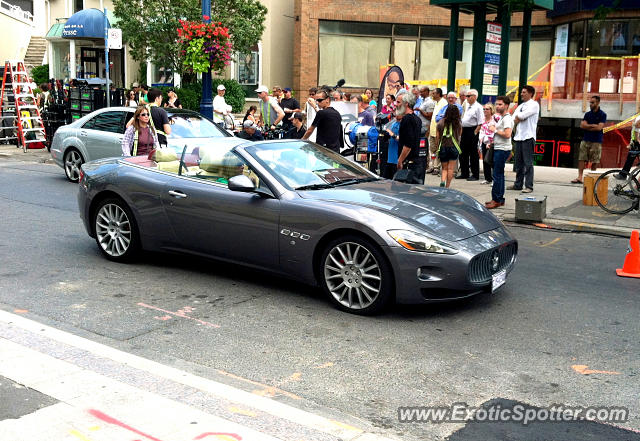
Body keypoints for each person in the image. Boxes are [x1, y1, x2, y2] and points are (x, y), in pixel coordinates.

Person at [485, 96, 514, 209]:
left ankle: (496, 199)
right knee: (499, 174)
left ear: (506, 105)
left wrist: (494, 130)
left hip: (502, 149)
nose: (497, 106)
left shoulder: (507, 118)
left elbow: (507, 134)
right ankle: (499, 199)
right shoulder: (502, 118)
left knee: (497, 175)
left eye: (500, 104)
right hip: (499, 148)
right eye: (496, 104)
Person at [509, 85, 539, 193]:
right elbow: (513, 118)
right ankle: (518, 184)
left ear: (530, 93)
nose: (521, 94)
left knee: (528, 163)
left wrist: (519, 117)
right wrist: (518, 117)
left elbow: (521, 116)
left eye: (524, 92)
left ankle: (529, 186)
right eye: (521, 92)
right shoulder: (521, 105)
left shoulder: (534, 105)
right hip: (519, 137)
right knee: (518, 163)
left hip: (528, 137)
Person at [572, 95, 606, 184]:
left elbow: (599, 128)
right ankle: (580, 177)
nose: (590, 104)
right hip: (586, 139)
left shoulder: (602, 114)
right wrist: (593, 125)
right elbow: (582, 125)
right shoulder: (587, 114)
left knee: (595, 160)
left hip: (596, 140)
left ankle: (592, 178)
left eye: (592, 102)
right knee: (581, 158)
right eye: (590, 102)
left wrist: (587, 126)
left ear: (598, 103)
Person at [396, 93, 425, 184]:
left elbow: (408, 145)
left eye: (399, 102)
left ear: (406, 104)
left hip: (409, 164)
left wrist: (400, 161)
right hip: (416, 163)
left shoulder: (407, 119)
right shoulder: (417, 119)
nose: (396, 105)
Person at [458, 89, 485, 181]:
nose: (467, 98)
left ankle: (475, 174)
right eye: (466, 96)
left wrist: (475, 133)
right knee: (463, 152)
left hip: (472, 130)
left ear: (474, 97)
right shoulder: (467, 106)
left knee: (473, 154)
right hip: (465, 130)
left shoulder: (478, 107)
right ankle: (464, 172)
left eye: (469, 96)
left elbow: (480, 122)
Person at [436, 104, 462, 188]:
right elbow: (459, 134)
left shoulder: (440, 122)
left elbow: (437, 137)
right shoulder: (458, 123)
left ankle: (442, 181)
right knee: (450, 169)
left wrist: (437, 148)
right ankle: (447, 186)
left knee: (444, 168)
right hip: (454, 147)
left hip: (443, 147)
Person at [428, 88, 447, 174]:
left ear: (439, 94)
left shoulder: (444, 103)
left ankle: (437, 167)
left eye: (434, 93)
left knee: (438, 148)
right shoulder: (436, 103)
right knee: (432, 149)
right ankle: (432, 166)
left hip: (438, 130)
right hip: (432, 130)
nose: (432, 95)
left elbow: (442, 118)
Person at [479, 103, 497, 184]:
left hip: (492, 142)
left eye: (487, 109)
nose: (485, 110)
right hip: (483, 141)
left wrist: (490, 142)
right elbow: (481, 130)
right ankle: (487, 179)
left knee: (492, 161)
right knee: (485, 160)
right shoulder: (482, 120)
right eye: (484, 109)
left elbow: (494, 131)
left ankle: (494, 179)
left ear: (491, 110)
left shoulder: (495, 120)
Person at [384, 111, 402, 179]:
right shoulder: (393, 123)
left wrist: (392, 134)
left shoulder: (403, 124)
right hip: (390, 157)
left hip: (397, 158)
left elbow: (402, 139)